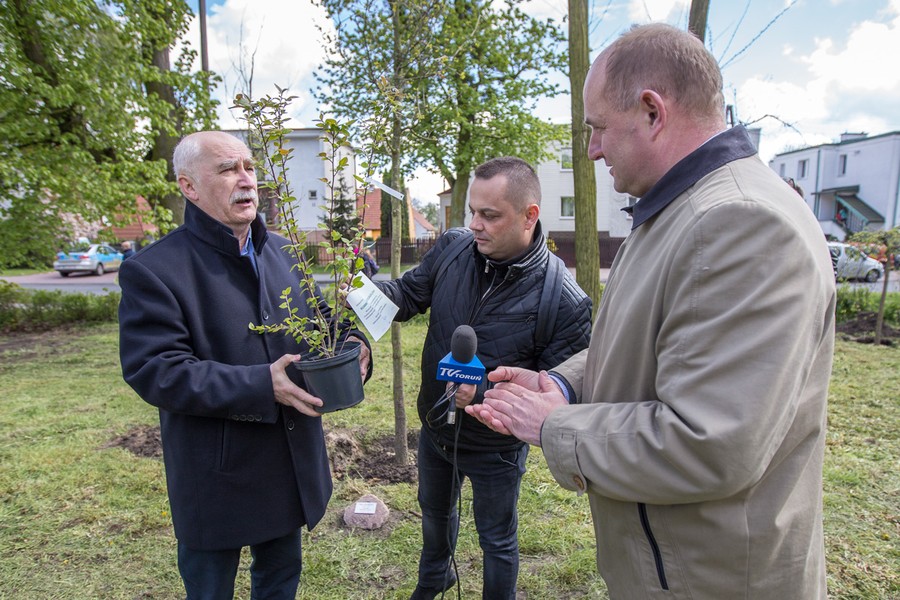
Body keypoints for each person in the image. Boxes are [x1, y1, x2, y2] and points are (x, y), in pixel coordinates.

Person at [468, 24, 835, 599]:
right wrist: (560, 385)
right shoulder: (674, 214)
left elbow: (709, 441)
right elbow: (646, 342)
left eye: (597, 128)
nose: (591, 149)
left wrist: (552, 425)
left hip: (712, 580)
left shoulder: (740, 223)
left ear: (651, 111)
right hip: (673, 566)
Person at [118, 131, 372, 599]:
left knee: (279, 580)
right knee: (210, 589)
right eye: (227, 170)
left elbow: (323, 323)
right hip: (216, 473)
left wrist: (355, 343)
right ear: (189, 187)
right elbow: (155, 369)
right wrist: (261, 383)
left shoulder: (283, 251)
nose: (246, 180)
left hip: (287, 463)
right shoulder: (155, 270)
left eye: (250, 168)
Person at [375, 156, 592, 600]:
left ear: (529, 215)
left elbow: (559, 392)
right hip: (436, 430)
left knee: (496, 538)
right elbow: (406, 296)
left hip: (496, 450)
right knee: (435, 514)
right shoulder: (454, 247)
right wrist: (357, 292)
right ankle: (434, 578)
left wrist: (485, 392)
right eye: (471, 211)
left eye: (489, 215)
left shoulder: (564, 301)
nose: (474, 224)